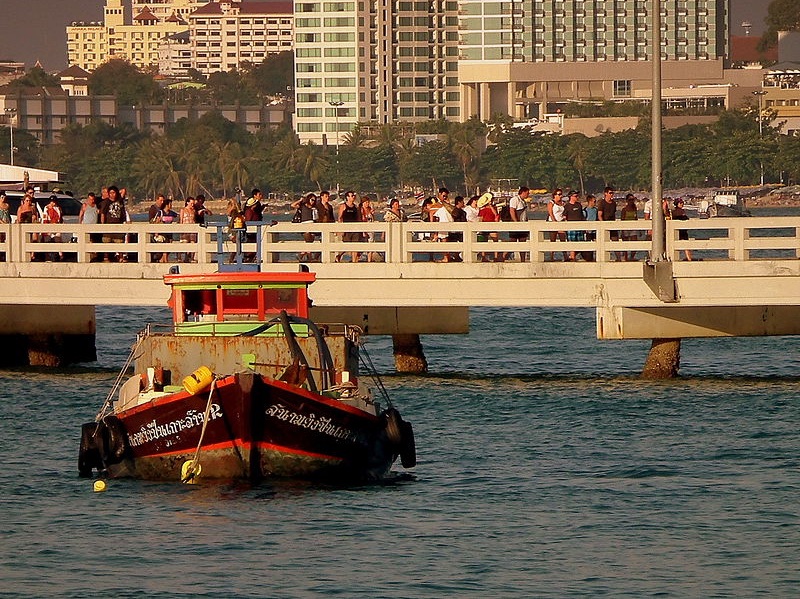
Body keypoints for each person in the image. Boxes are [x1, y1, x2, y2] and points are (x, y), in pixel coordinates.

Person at [99, 185, 126, 262]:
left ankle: (121, 257)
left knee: (119, 242)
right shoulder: (106, 202)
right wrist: (102, 224)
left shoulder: (119, 200)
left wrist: (117, 192)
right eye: (110, 193)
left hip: (118, 224)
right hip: (108, 224)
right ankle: (106, 258)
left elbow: (123, 190)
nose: (112, 195)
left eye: (113, 193)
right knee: (107, 242)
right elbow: (103, 214)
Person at [337, 190, 362, 263]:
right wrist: (340, 229)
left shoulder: (355, 207)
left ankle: (354, 261)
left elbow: (358, 218)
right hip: (346, 228)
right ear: (347, 197)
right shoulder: (343, 206)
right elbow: (340, 218)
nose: (353, 197)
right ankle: (339, 256)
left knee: (355, 246)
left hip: (355, 229)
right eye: (351, 196)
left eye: (353, 196)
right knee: (346, 245)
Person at [291, 193, 317, 261]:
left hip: (313, 225)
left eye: (314, 200)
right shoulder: (302, 206)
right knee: (308, 241)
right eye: (312, 200)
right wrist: (300, 200)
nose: (313, 201)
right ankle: (307, 256)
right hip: (305, 225)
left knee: (310, 242)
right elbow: (293, 205)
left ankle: (303, 255)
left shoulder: (314, 208)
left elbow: (316, 217)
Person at [598, 186, 621, 261]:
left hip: (612, 225)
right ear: (605, 193)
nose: (611, 194)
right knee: (604, 242)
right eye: (610, 193)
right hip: (604, 224)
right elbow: (599, 215)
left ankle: (618, 258)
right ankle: (603, 259)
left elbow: (613, 214)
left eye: (612, 193)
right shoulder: (602, 203)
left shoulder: (613, 203)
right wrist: (603, 224)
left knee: (615, 242)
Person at [509, 186, 530, 261]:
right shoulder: (515, 200)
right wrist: (515, 222)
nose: (528, 195)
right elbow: (512, 211)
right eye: (527, 193)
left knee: (523, 242)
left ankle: (523, 260)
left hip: (523, 224)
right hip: (516, 224)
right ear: (523, 192)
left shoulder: (523, 201)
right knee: (512, 242)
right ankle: (502, 257)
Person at [477, 192, 500, 262]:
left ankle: (496, 257)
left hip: (492, 226)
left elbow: (495, 214)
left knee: (495, 240)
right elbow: (480, 219)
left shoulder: (494, 208)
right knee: (484, 242)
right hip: (484, 226)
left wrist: (491, 207)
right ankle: (484, 257)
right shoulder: (482, 210)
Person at [564, 190, 585, 262]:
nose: (577, 197)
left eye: (577, 196)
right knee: (572, 243)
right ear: (571, 197)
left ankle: (574, 256)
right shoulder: (567, 206)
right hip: (571, 228)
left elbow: (582, 216)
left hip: (580, 227)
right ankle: (572, 258)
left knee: (580, 243)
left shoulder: (579, 205)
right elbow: (564, 217)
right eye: (575, 196)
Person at [546, 188, 566, 261]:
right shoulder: (551, 203)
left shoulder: (563, 203)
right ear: (555, 195)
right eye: (559, 194)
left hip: (561, 222)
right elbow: (550, 213)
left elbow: (564, 212)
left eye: (561, 194)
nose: (561, 196)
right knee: (553, 240)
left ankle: (565, 256)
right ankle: (551, 256)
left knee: (563, 240)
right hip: (553, 222)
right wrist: (554, 222)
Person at [620, 193, 639, 261]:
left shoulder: (634, 209)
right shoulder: (624, 210)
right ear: (627, 201)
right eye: (630, 200)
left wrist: (638, 229)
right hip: (626, 228)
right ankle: (625, 258)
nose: (631, 201)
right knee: (625, 244)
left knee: (634, 243)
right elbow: (622, 220)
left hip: (633, 228)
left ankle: (632, 257)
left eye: (633, 200)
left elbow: (636, 218)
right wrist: (622, 231)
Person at [180, 197, 197, 263]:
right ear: (187, 203)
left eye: (193, 203)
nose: (192, 205)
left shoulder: (193, 210)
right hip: (185, 229)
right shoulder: (183, 210)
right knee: (185, 244)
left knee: (193, 244)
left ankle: (192, 258)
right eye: (191, 203)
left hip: (192, 229)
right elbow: (181, 220)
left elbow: (194, 220)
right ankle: (185, 258)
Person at [582, 194, 598, 262]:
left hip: (595, 230)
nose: (595, 203)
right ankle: (589, 258)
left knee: (596, 244)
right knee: (588, 245)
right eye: (594, 201)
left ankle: (596, 258)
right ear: (590, 201)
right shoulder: (585, 210)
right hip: (588, 231)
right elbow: (583, 219)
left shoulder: (595, 210)